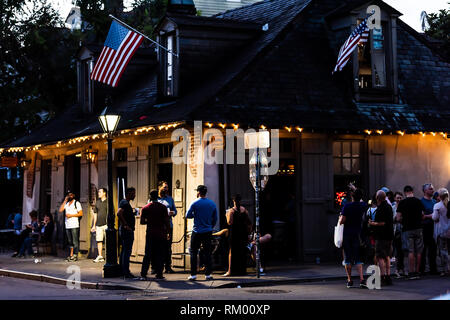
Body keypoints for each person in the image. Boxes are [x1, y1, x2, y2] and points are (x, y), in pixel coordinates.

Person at [186, 185, 217, 281]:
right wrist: (210, 226)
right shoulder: (212, 204)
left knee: (193, 252)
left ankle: (193, 274)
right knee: (208, 253)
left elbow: (188, 215)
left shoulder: (195, 203)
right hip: (207, 231)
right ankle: (208, 274)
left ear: (198, 192)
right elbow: (215, 218)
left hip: (197, 231)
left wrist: (195, 214)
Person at [339, 188, 367, 288]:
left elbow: (342, 221)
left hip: (347, 234)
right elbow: (362, 201)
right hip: (357, 234)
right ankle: (362, 279)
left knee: (347, 258)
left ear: (352, 196)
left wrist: (340, 218)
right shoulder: (362, 206)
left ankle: (350, 280)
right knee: (358, 258)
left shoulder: (347, 206)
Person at [140, 190, 170, 280]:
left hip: (150, 233)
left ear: (150, 197)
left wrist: (149, 221)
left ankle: (143, 274)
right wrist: (168, 232)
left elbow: (142, 222)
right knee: (160, 254)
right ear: (157, 197)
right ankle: (159, 273)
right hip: (161, 233)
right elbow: (167, 221)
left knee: (147, 254)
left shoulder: (145, 208)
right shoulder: (163, 207)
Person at [396, 185, 425, 279]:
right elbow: (422, 215)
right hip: (418, 228)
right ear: (412, 191)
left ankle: (411, 272)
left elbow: (398, 218)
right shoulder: (418, 201)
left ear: (405, 193)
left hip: (407, 229)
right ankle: (417, 271)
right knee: (419, 251)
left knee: (411, 251)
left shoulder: (402, 203)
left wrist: (403, 221)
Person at [369, 190, 394, 286]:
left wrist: (372, 223)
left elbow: (382, 223)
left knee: (380, 257)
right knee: (387, 256)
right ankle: (388, 276)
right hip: (389, 235)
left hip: (381, 236)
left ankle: (382, 277)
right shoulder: (388, 207)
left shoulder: (380, 208)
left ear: (377, 198)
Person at [223, 194, 252, 277]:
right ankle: (242, 270)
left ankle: (230, 271)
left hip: (234, 233)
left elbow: (229, 222)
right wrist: (248, 232)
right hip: (243, 233)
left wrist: (226, 215)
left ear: (233, 201)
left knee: (232, 252)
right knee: (242, 251)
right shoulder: (244, 210)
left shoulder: (231, 211)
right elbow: (249, 222)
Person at [157, 181, 177, 274]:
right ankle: (157, 267)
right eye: (164, 187)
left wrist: (173, 212)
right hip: (158, 227)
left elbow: (175, 211)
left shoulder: (170, 199)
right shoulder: (154, 199)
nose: (166, 189)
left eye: (167, 187)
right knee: (158, 247)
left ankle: (168, 267)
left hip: (168, 226)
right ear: (159, 187)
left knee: (168, 247)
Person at [117, 187, 137, 279]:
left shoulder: (125, 203)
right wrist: (126, 225)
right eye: (133, 193)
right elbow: (119, 213)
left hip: (126, 230)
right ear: (128, 193)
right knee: (127, 251)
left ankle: (123, 270)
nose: (134, 195)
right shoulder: (124, 203)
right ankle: (126, 271)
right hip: (126, 230)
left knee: (125, 250)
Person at [420, 183, 438, 275]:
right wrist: (431, 216)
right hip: (424, 228)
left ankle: (433, 269)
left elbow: (437, 215)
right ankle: (422, 269)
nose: (432, 190)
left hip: (433, 227)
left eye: (433, 189)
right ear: (425, 191)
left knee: (433, 249)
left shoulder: (435, 202)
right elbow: (421, 216)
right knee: (423, 249)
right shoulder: (421, 202)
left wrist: (428, 216)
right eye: (431, 189)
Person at [59, 191, 83, 262]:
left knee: (75, 241)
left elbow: (81, 213)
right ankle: (71, 254)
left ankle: (75, 255)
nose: (70, 196)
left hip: (74, 224)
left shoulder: (77, 203)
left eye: (71, 195)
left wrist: (71, 215)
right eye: (68, 195)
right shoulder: (67, 203)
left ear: (74, 195)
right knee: (70, 241)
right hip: (68, 224)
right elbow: (60, 210)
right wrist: (65, 200)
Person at [432, 188, 449, 276]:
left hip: (441, 230)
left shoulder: (437, 205)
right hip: (449, 230)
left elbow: (435, 218)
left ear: (439, 196)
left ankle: (445, 269)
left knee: (442, 250)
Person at [91, 188, 108, 263]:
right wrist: (94, 225)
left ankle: (108, 256)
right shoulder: (97, 202)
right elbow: (95, 214)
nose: (98, 193)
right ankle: (100, 256)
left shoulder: (108, 202)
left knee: (108, 241)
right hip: (98, 224)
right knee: (99, 240)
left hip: (106, 224)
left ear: (104, 193)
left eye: (100, 192)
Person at [392, 192, 405, 278]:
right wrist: (396, 218)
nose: (399, 199)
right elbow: (392, 219)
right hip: (396, 231)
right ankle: (397, 270)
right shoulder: (393, 208)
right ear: (394, 198)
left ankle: (402, 269)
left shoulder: (404, 207)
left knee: (403, 251)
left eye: (400, 198)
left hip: (403, 230)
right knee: (397, 251)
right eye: (397, 198)